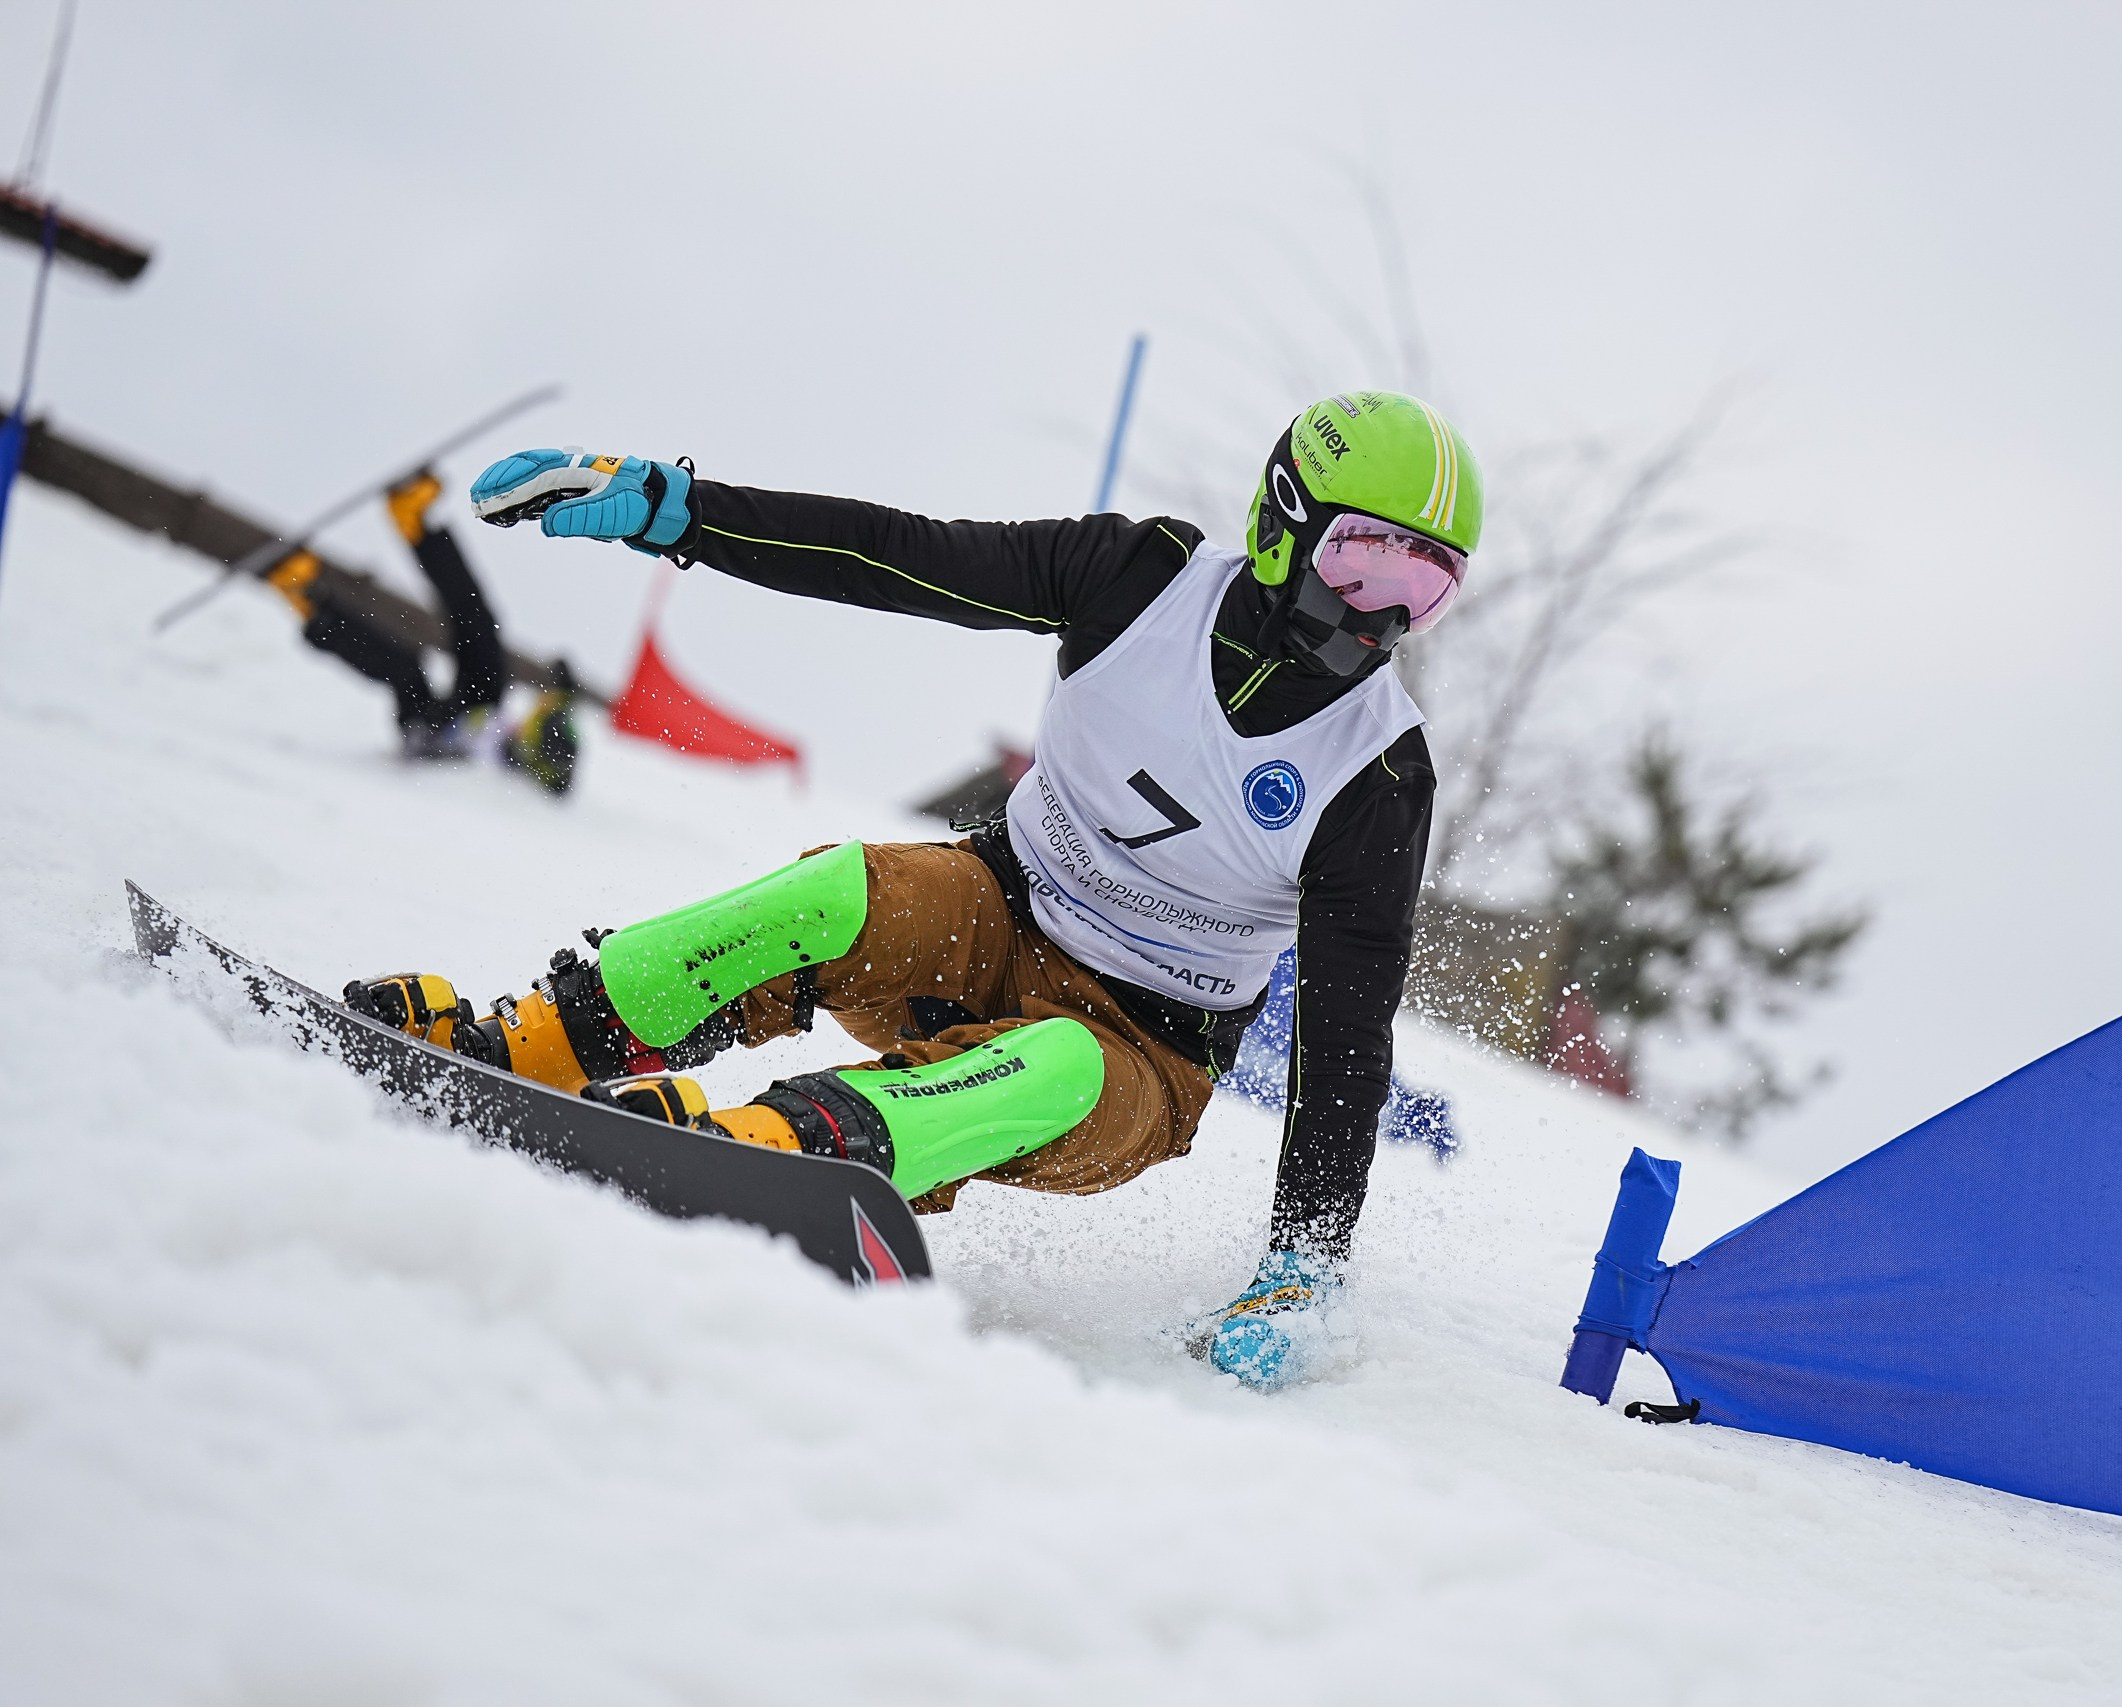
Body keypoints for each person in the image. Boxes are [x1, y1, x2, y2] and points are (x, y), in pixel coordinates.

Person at [344, 395, 1480, 1388]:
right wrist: (679, 511)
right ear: (1282, 522)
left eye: (1425, 590)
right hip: (994, 914)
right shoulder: (1140, 581)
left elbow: (1344, 1044)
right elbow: (891, 555)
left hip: (1144, 1052)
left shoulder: (1376, 772)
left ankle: (775, 1152)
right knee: (840, 890)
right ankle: (530, 1045)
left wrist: (1304, 1264)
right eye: (1364, 565)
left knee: (1059, 1059)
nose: (1381, 617)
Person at [260, 469, 579, 792]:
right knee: (479, 626)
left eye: (539, 725)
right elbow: (554, 723)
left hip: (433, 738)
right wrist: (564, 693)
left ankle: (308, 600)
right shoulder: (518, 739)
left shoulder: (516, 774)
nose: (534, 718)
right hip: (473, 712)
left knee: (406, 669)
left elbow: (553, 774)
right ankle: (415, 524)